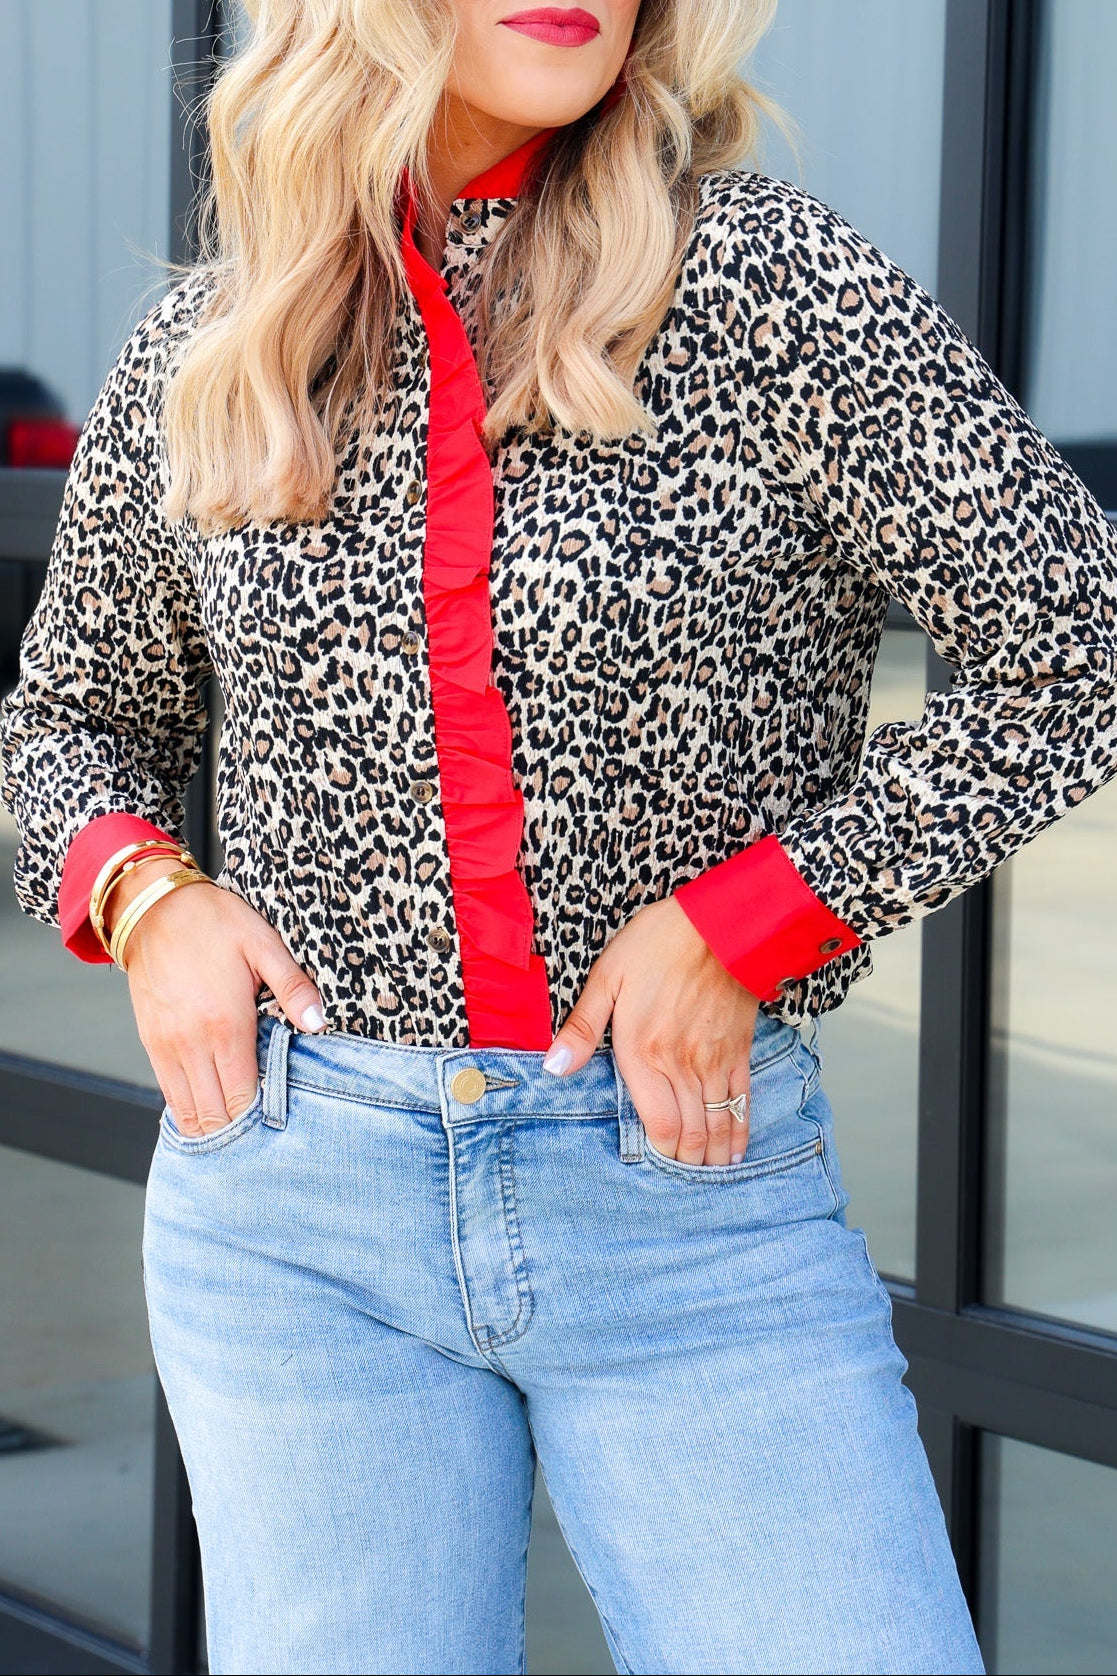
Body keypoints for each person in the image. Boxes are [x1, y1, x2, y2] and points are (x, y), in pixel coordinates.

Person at [3, 0, 1116, 1670]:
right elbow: (68, 714)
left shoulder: (765, 283)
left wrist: (755, 918)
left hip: (682, 1204)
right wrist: (146, 899)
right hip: (292, 1214)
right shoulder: (222, 335)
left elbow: (1076, 647)